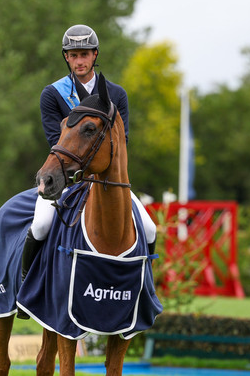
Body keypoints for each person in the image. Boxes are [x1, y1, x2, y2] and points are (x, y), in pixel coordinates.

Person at [19, 24, 155, 311]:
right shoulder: (53, 94)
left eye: (84, 54)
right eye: (73, 55)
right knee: (41, 224)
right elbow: (55, 141)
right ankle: (27, 291)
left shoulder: (116, 95)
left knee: (150, 228)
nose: (79, 60)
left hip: (107, 178)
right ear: (66, 58)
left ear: (95, 55)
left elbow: (123, 141)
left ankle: (144, 293)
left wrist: (100, 170)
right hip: (67, 177)